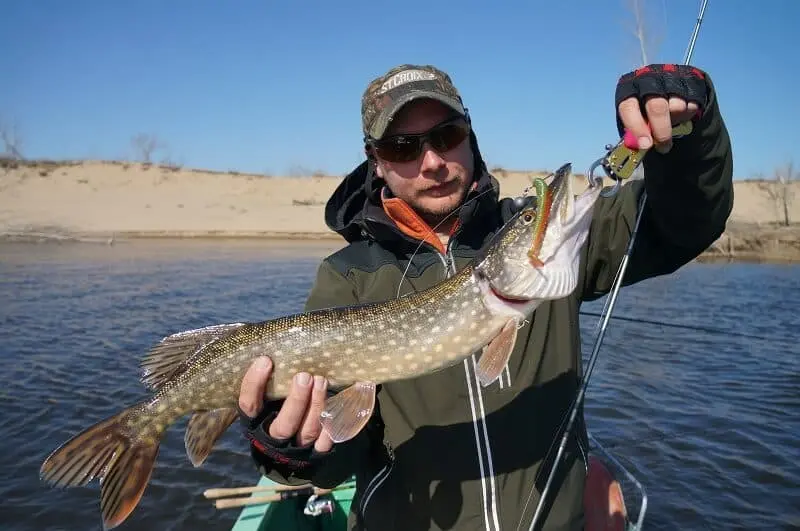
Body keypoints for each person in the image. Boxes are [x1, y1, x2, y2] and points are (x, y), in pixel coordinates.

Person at [235, 63, 733, 530]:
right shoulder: (348, 276)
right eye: (403, 147)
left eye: (446, 136)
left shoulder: (548, 249)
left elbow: (686, 220)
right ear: (377, 162)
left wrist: (690, 133)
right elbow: (334, 454)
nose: (432, 162)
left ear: (469, 135)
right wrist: (290, 452)